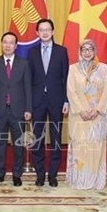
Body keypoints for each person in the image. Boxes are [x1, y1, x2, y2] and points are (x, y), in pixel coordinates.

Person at [27, 19, 69, 187]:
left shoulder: (61, 51)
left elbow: (65, 77)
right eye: (41, 30)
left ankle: (52, 174)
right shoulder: (31, 52)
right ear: (37, 33)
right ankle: (39, 174)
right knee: (37, 138)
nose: (45, 32)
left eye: (48, 29)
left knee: (56, 138)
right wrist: (28, 103)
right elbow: (28, 80)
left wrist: (66, 99)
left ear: (53, 31)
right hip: (37, 101)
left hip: (56, 100)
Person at [0, 32, 32, 187]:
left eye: (11, 42)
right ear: (1, 44)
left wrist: (28, 109)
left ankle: (16, 174)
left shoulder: (24, 64)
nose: (7, 45)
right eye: (5, 42)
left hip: (18, 110)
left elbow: (27, 88)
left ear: (16, 45)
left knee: (18, 145)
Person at [65, 39, 107, 189]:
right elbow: (71, 91)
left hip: (98, 116)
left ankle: (95, 181)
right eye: (84, 49)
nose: (87, 52)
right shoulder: (73, 68)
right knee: (80, 147)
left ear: (95, 51)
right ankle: (80, 181)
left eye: (90, 49)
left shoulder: (103, 68)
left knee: (96, 148)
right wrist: (82, 110)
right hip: (79, 116)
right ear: (80, 51)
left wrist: (97, 110)